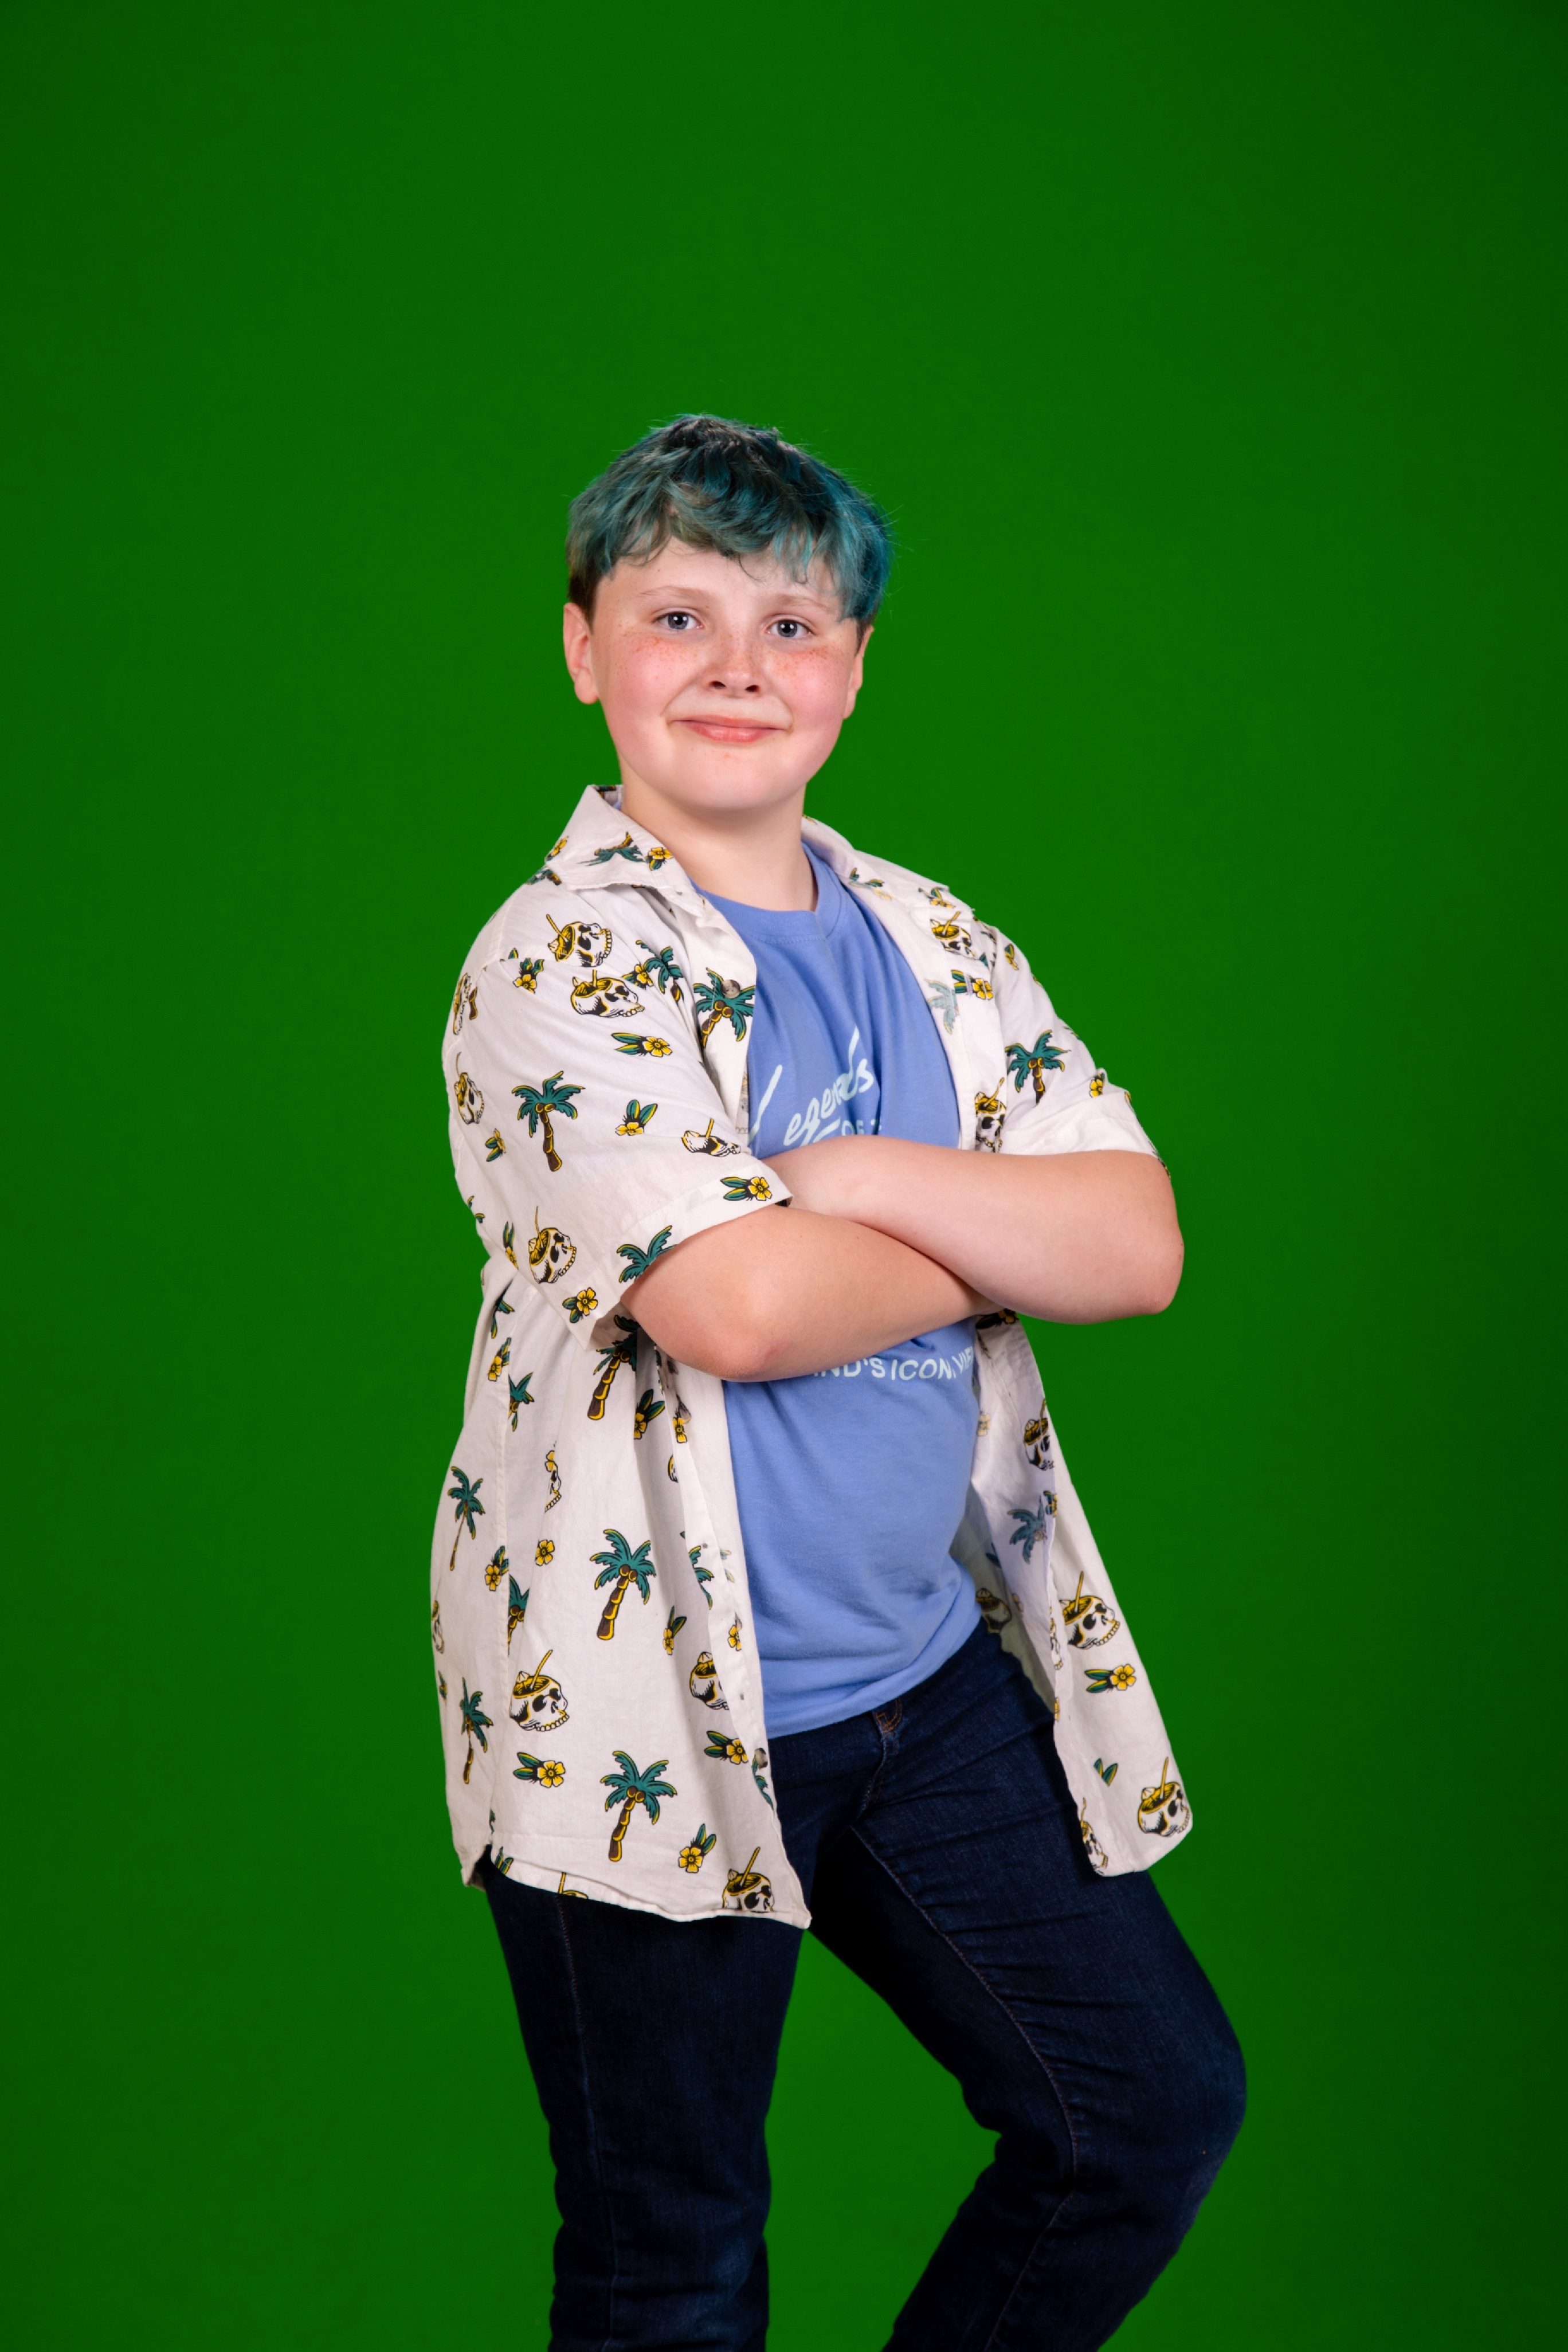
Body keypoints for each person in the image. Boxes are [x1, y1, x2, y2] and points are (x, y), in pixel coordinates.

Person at [432, 414, 1244, 2350]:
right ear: (583, 647)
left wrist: (859, 1178)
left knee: (1140, 2108)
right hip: (639, 1709)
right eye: (678, 616)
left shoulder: (935, 941)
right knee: (676, 2258)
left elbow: (1138, 1248)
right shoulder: (554, 964)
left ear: (854, 669)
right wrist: (996, 1240)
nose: (738, 666)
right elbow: (733, 1308)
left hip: (920, 1680)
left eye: (791, 624)